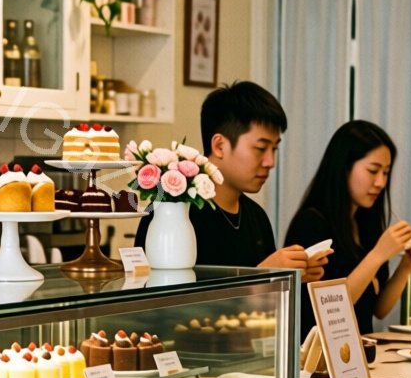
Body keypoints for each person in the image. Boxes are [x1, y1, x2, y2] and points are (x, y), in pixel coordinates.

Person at [135, 80, 328, 279]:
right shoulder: (172, 213)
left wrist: (292, 278)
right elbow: (162, 303)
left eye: (274, 149)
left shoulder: (257, 217)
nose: (270, 162)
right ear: (220, 146)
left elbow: (261, 305)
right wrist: (262, 276)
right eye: (261, 148)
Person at [284, 120, 411, 339]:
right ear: (343, 167)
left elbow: (378, 310)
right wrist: (379, 254)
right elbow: (333, 309)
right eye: (373, 171)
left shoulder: (365, 222)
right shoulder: (312, 223)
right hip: (320, 359)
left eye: (386, 172)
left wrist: (406, 266)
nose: (381, 182)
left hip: (358, 356)